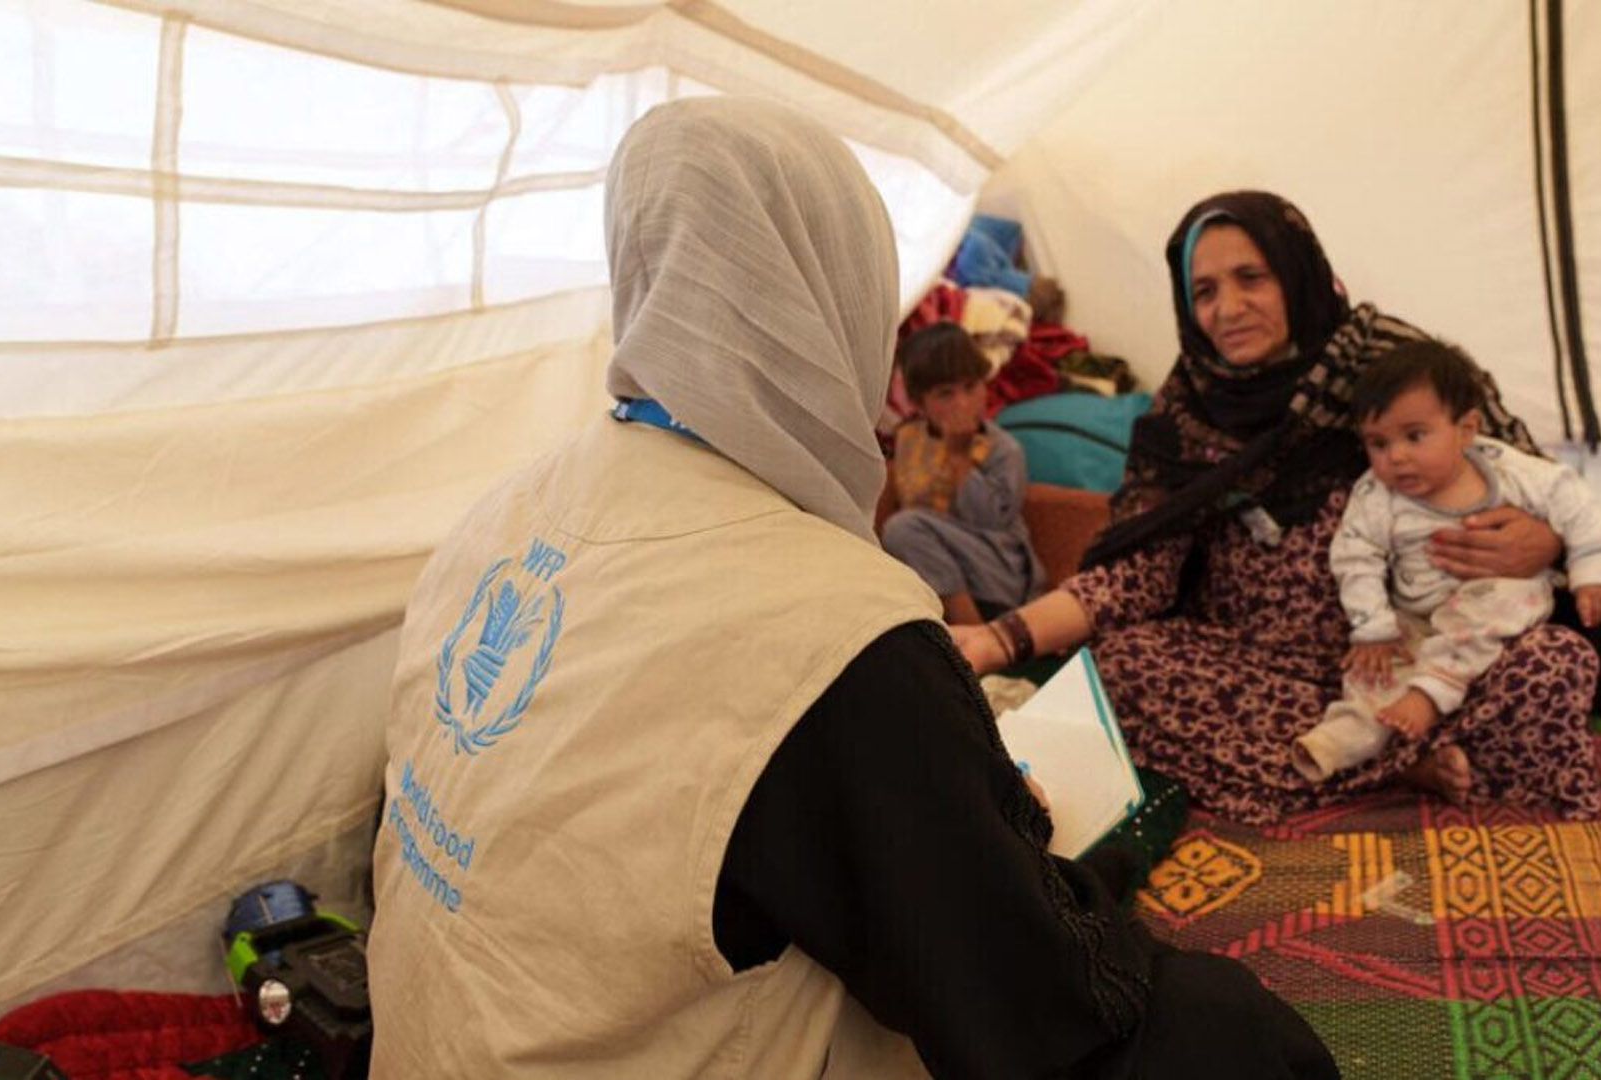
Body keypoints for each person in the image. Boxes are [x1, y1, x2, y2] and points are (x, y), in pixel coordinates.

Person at [366, 101, 1336, 1079]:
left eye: (1251, 279)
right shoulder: (832, 626)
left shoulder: (503, 511)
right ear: (838, 296)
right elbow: (1036, 1002)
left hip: (426, 1047)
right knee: (1245, 1040)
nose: (1227, 307)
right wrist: (984, 813)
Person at [955, 190, 1601, 826]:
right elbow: (1138, 573)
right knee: (1122, 666)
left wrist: (1548, 542)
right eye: (1204, 291)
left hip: (1408, 652)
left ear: (1298, 274)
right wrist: (998, 638)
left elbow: (1523, 475)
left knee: (1553, 663)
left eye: (1251, 278)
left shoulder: (1392, 372)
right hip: (1254, 663)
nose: (1228, 308)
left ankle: (1373, 744)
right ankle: (1398, 759)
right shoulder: (1189, 407)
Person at [1294, 340, 1601, 782]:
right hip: (1417, 621)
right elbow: (1356, 558)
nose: (1396, 456)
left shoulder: (1512, 472)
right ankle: (1347, 736)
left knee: (1508, 597)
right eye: (1378, 443)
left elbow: (1576, 505)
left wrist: (1594, 572)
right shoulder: (1376, 494)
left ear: (1466, 429)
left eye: (1415, 436)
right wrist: (1373, 627)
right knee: (1371, 668)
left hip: (1494, 619)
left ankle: (1430, 696)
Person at [880, 321, 1046, 625]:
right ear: (920, 403)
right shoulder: (910, 439)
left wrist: (959, 456)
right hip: (934, 565)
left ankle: (978, 635)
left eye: (971, 387)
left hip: (999, 575)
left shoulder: (1003, 449)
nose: (963, 403)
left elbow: (990, 521)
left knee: (903, 528)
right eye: (945, 394)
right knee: (901, 534)